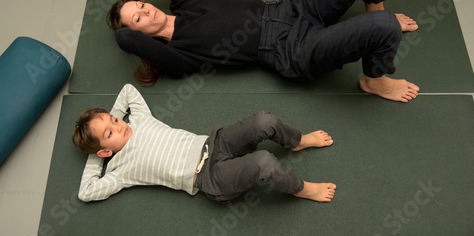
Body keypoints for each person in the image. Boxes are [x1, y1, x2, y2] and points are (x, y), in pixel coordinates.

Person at [107, 0, 419, 102]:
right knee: (387, 28)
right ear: (143, 37)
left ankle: (373, 8)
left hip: (298, 8)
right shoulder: (179, 56)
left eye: (141, 6)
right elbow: (124, 38)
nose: (146, 11)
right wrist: (129, 22)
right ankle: (374, 80)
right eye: (139, 17)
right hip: (293, 50)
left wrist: (138, 0)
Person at [73, 84, 336, 203]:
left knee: (263, 120)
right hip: (210, 177)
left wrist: (108, 123)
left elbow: (128, 90)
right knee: (264, 162)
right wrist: (100, 156)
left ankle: (297, 140)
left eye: (113, 120)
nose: (119, 125)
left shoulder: (139, 120)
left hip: (214, 143)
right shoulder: (120, 171)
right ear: (106, 150)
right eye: (110, 133)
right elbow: (86, 191)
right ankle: (301, 189)